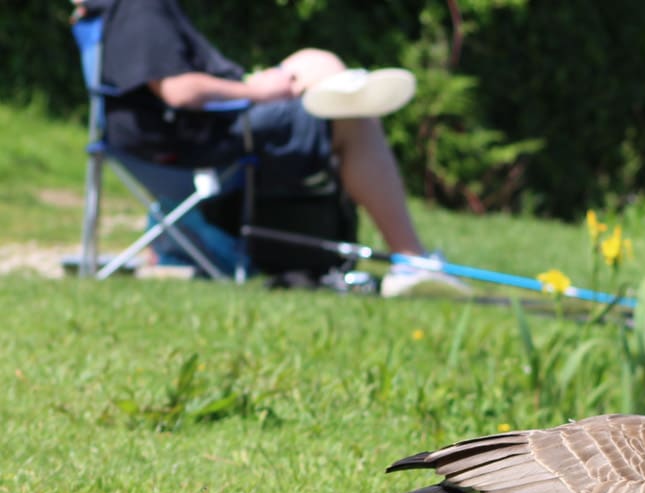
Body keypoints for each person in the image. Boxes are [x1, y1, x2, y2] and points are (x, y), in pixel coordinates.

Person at [87, 0, 464, 297]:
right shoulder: (141, 6)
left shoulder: (114, 9)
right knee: (356, 123)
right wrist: (258, 92)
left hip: (190, 134)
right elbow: (178, 91)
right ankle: (411, 259)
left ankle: (335, 94)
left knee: (315, 62)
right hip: (199, 145)